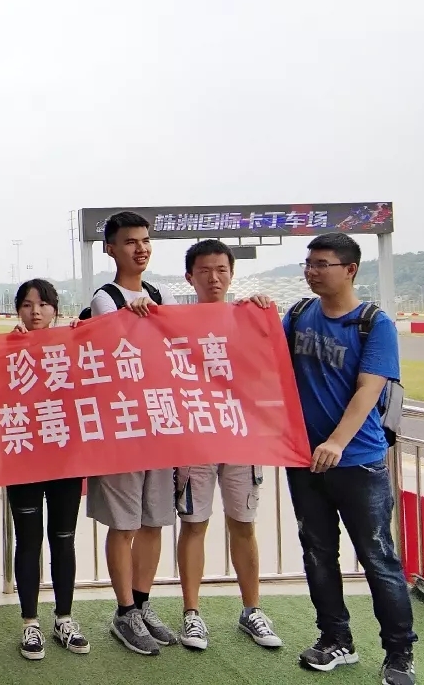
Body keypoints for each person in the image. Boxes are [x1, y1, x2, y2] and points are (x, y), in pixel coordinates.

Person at [284, 233, 416, 685]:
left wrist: (337, 442)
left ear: (350, 269)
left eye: (322, 264)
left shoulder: (373, 324)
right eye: (308, 264)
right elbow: (258, 352)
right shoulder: (298, 315)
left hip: (359, 462)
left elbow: (368, 390)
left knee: (378, 557)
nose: (312, 271)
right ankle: (335, 639)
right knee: (317, 552)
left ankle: (399, 653)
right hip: (304, 461)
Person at [0, 279, 90, 660]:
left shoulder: (72, 346)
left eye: (42, 304)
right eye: (26, 304)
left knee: (64, 539)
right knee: (28, 540)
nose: (35, 312)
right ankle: (30, 623)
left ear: (55, 309)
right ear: (17, 310)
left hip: (65, 460)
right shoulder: (5, 349)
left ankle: (64, 619)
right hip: (21, 456)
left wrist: (81, 338)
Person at [173, 240, 283, 652]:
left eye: (221, 270)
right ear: (190, 277)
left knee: (243, 523)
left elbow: (272, 363)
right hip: (196, 439)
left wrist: (263, 311)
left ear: (232, 274)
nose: (214, 278)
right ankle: (192, 613)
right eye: (204, 271)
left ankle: (252, 609)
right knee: (194, 524)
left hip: (241, 437)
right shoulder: (174, 321)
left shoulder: (249, 317)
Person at [85, 211, 180, 656]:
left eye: (145, 241)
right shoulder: (105, 299)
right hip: (122, 427)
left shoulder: (159, 295)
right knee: (124, 524)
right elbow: (122, 348)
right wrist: (140, 320)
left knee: (154, 520)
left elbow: (175, 344)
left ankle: (142, 603)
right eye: (129, 242)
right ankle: (124, 611)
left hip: (158, 424)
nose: (140, 249)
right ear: (111, 249)